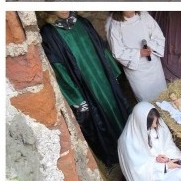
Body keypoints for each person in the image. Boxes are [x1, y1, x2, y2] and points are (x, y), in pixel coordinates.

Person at [40, 12, 132, 166]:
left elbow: (100, 47)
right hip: (86, 89)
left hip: (105, 81)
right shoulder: (49, 34)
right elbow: (58, 68)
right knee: (102, 122)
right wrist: (76, 97)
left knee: (119, 110)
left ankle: (132, 146)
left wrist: (113, 72)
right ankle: (119, 160)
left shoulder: (82, 22)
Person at [105, 12, 167, 103]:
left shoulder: (144, 15)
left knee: (161, 92)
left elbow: (158, 35)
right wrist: (139, 53)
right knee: (146, 96)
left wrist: (151, 46)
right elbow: (117, 52)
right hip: (137, 70)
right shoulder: (114, 25)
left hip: (153, 64)